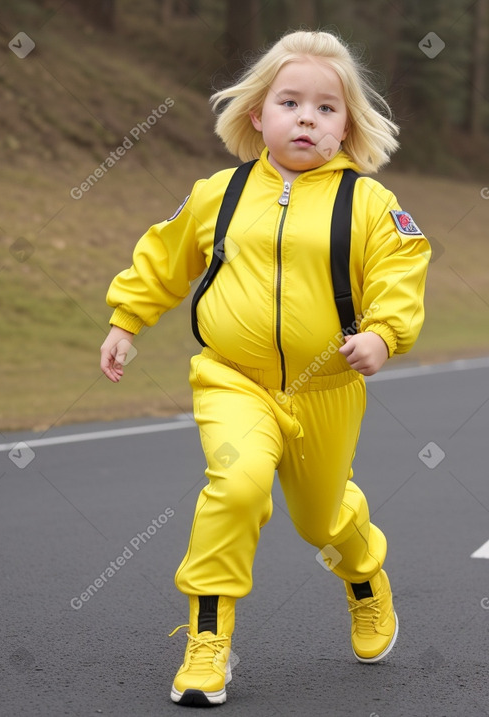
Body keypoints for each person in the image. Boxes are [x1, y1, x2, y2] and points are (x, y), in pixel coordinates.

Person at [100, 29, 431, 707]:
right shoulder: (217, 195)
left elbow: (401, 270)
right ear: (259, 115)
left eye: (326, 108)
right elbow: (163, 259)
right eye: (290, 102)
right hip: (232, 379)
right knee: (238, 485)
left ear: (347, 127)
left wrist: (383, 335)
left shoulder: (367, 204)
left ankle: (365, 576)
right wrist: (125, 319)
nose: (306, 116)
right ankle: (206, 642)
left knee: (320, 521)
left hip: (326, 389)